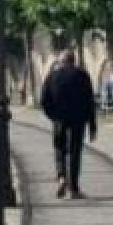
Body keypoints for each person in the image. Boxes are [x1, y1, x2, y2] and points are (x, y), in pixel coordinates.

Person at [39, 49, 97, 199]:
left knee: (59, 149)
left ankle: (61, 177)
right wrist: (92, 126)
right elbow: (90, 102)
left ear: (61, 61)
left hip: (59, 119)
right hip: (78, 120)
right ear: (73, 61)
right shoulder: (83, 76)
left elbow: (44, 100)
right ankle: (74, 189)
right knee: (75, 152)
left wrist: (52, 115)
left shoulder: (52, 76)